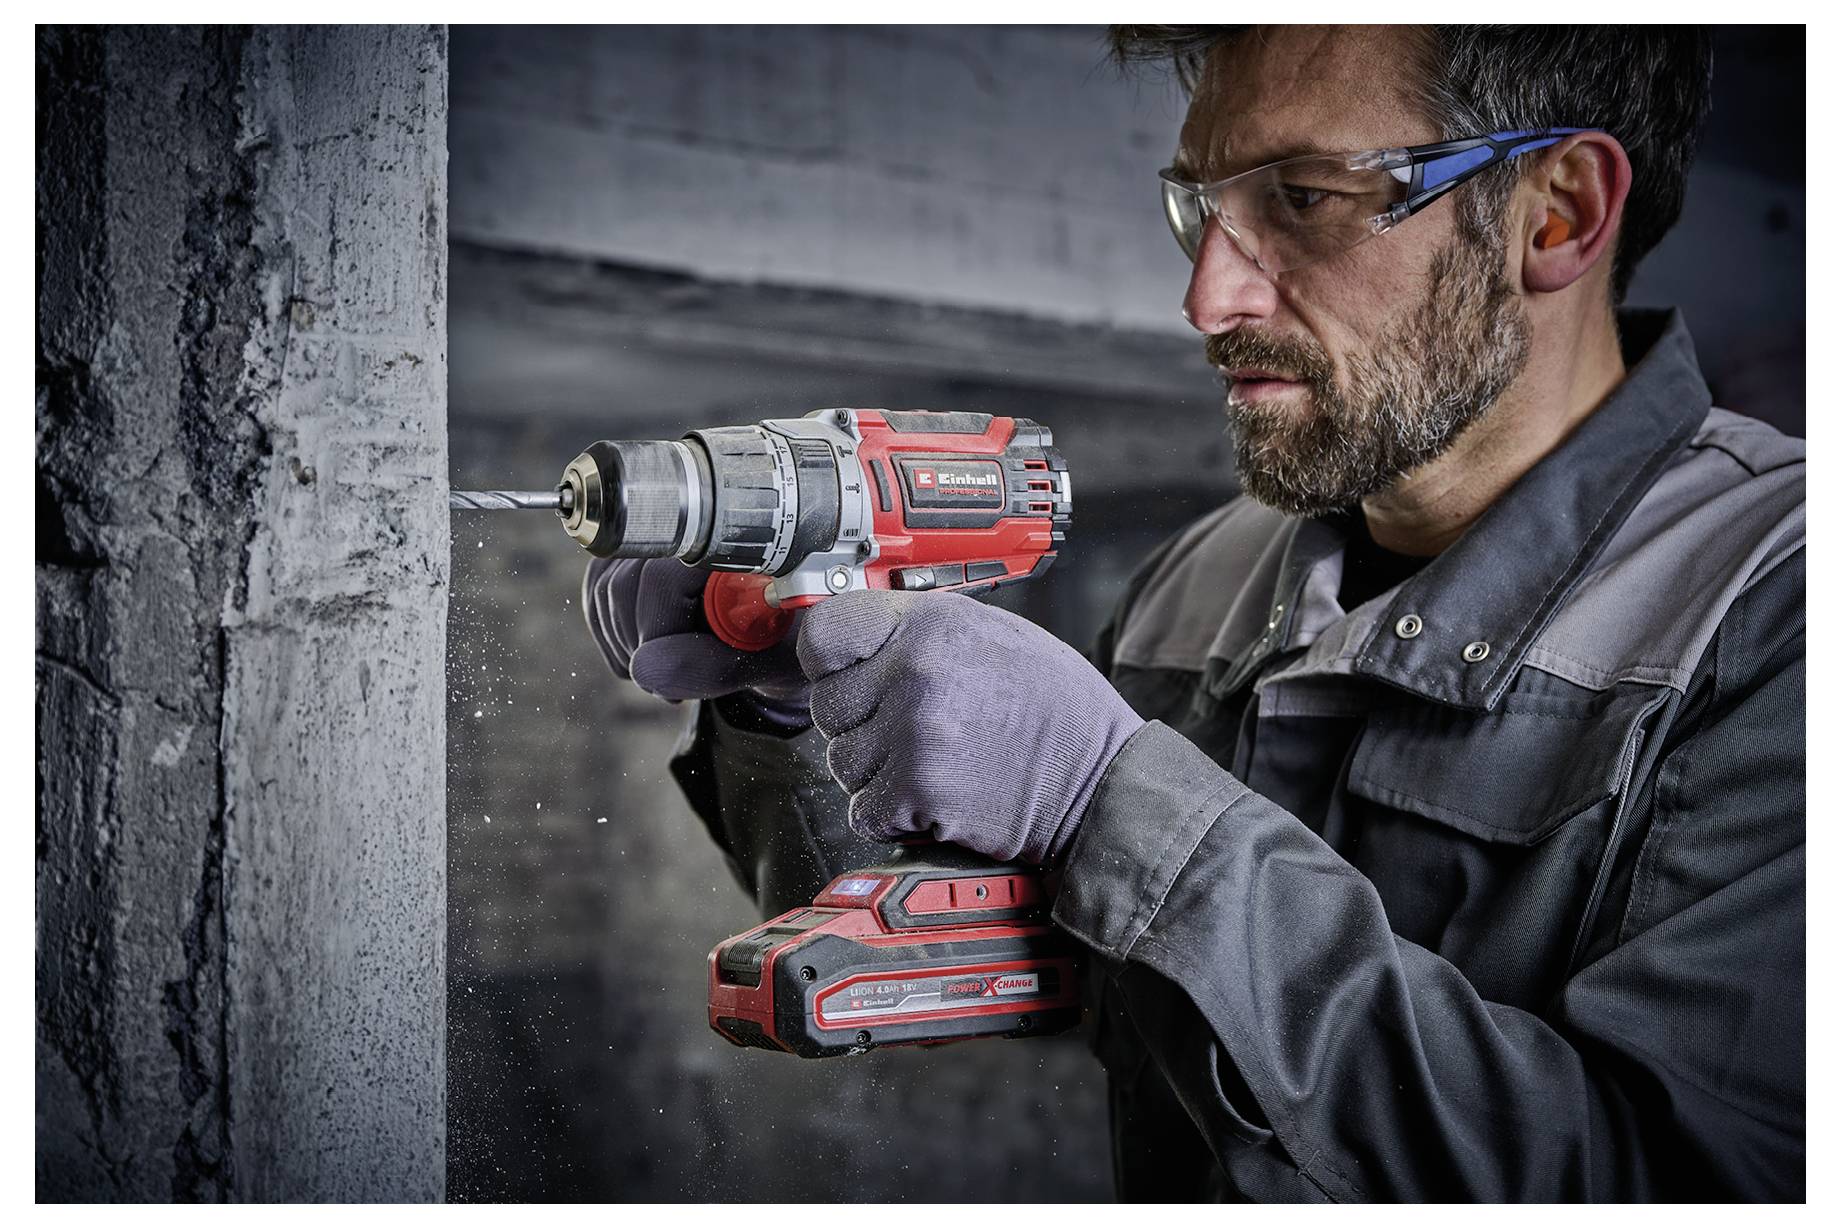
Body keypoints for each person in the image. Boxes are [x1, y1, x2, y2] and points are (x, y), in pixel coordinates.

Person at [583, 25, 1804, 1201]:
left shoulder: (1776, 600)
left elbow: (1667, 1181)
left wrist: (1109, 805)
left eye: (1306, 198)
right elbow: (966, 971)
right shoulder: (1196, 584)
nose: (1206, 296)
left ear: (1558, 212)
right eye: (1200, 209)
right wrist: (782, 702)